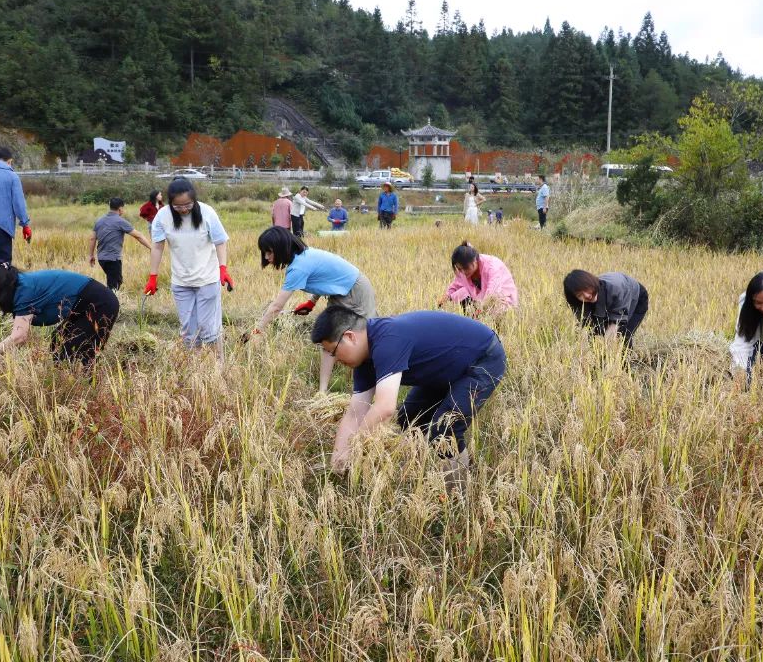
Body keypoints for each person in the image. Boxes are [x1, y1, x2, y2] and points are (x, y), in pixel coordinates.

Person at [311, 307, 506, 484]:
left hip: (482, 359)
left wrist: (353, 449)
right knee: (409, 418)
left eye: (333, 352)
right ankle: (421, 476)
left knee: (444, 431)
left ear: (350, 337)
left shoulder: (388, 341)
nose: (335, 360)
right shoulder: (363, 360)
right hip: (444, 369)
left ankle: (459, 499)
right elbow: (355, 412)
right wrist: (338, 457)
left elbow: (385, 408)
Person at [247, 226, 376, 393]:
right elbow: (324, 278)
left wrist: (257, 331)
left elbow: (277, 307)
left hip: (354, 291)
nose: (267, 257)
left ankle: (374, 385)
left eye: (269, 252)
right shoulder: (302, 256)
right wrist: (311, 302)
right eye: (264, 252)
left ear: (281, 248)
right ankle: (322, 392)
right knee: (329, 339)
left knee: (363, 338)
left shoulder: (298, 267)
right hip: (340, 292)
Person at [0, 256, 119, 367]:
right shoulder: (16, 287)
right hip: (83, 305)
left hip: (99, 303)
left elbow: (19, 336)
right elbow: (19, 336)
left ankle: (85, 395)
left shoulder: (23, 289)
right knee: (57, 343)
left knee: (75, 352)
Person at [145, 177, 233, 355]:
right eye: (178, 207)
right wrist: (153, 276)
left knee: (210, 331)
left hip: (207, 280)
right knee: (189, 334)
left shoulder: (207, 213)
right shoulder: (162, 216)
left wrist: (222, 268)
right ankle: (195, 372)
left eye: (188, 205)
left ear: (194, 199)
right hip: (181, 282)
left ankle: (219, 369)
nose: (184, 209)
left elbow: (220, 242)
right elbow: (157, 246)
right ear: (170, 203)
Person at [563, 270, 649, 349]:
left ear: (592, 282)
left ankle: (624, 363)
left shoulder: (617, 288)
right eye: (579, 295)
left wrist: (608, 352)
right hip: (608, 297)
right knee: (596, 333)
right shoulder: (577, 304)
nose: (587, 295)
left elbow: (616, 323)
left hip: (635, 297)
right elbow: (587, 327)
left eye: (586, 289)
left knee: (623, 335)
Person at [437, 242, 518, 317]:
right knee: (459, 295)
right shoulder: (463, 270)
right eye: (459, 269)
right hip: (480, 299)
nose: (463, 272)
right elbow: (455, 285)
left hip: (502, 300)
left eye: (465, 268)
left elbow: (491, 297)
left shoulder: (492, 267)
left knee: (495, 310)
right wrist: (445, 298)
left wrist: (477, 315)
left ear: (475, 260)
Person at [89, 197, 152, 290]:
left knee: (115, 280)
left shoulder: (99, 221)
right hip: (113, 259)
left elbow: (92, 238)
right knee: (114, 285)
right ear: (120, 209)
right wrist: (151, 248)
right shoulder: (120, 221)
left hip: (101, 258)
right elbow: (138, 236)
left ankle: (110, 299)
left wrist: (91, 255)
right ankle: (110, 302)